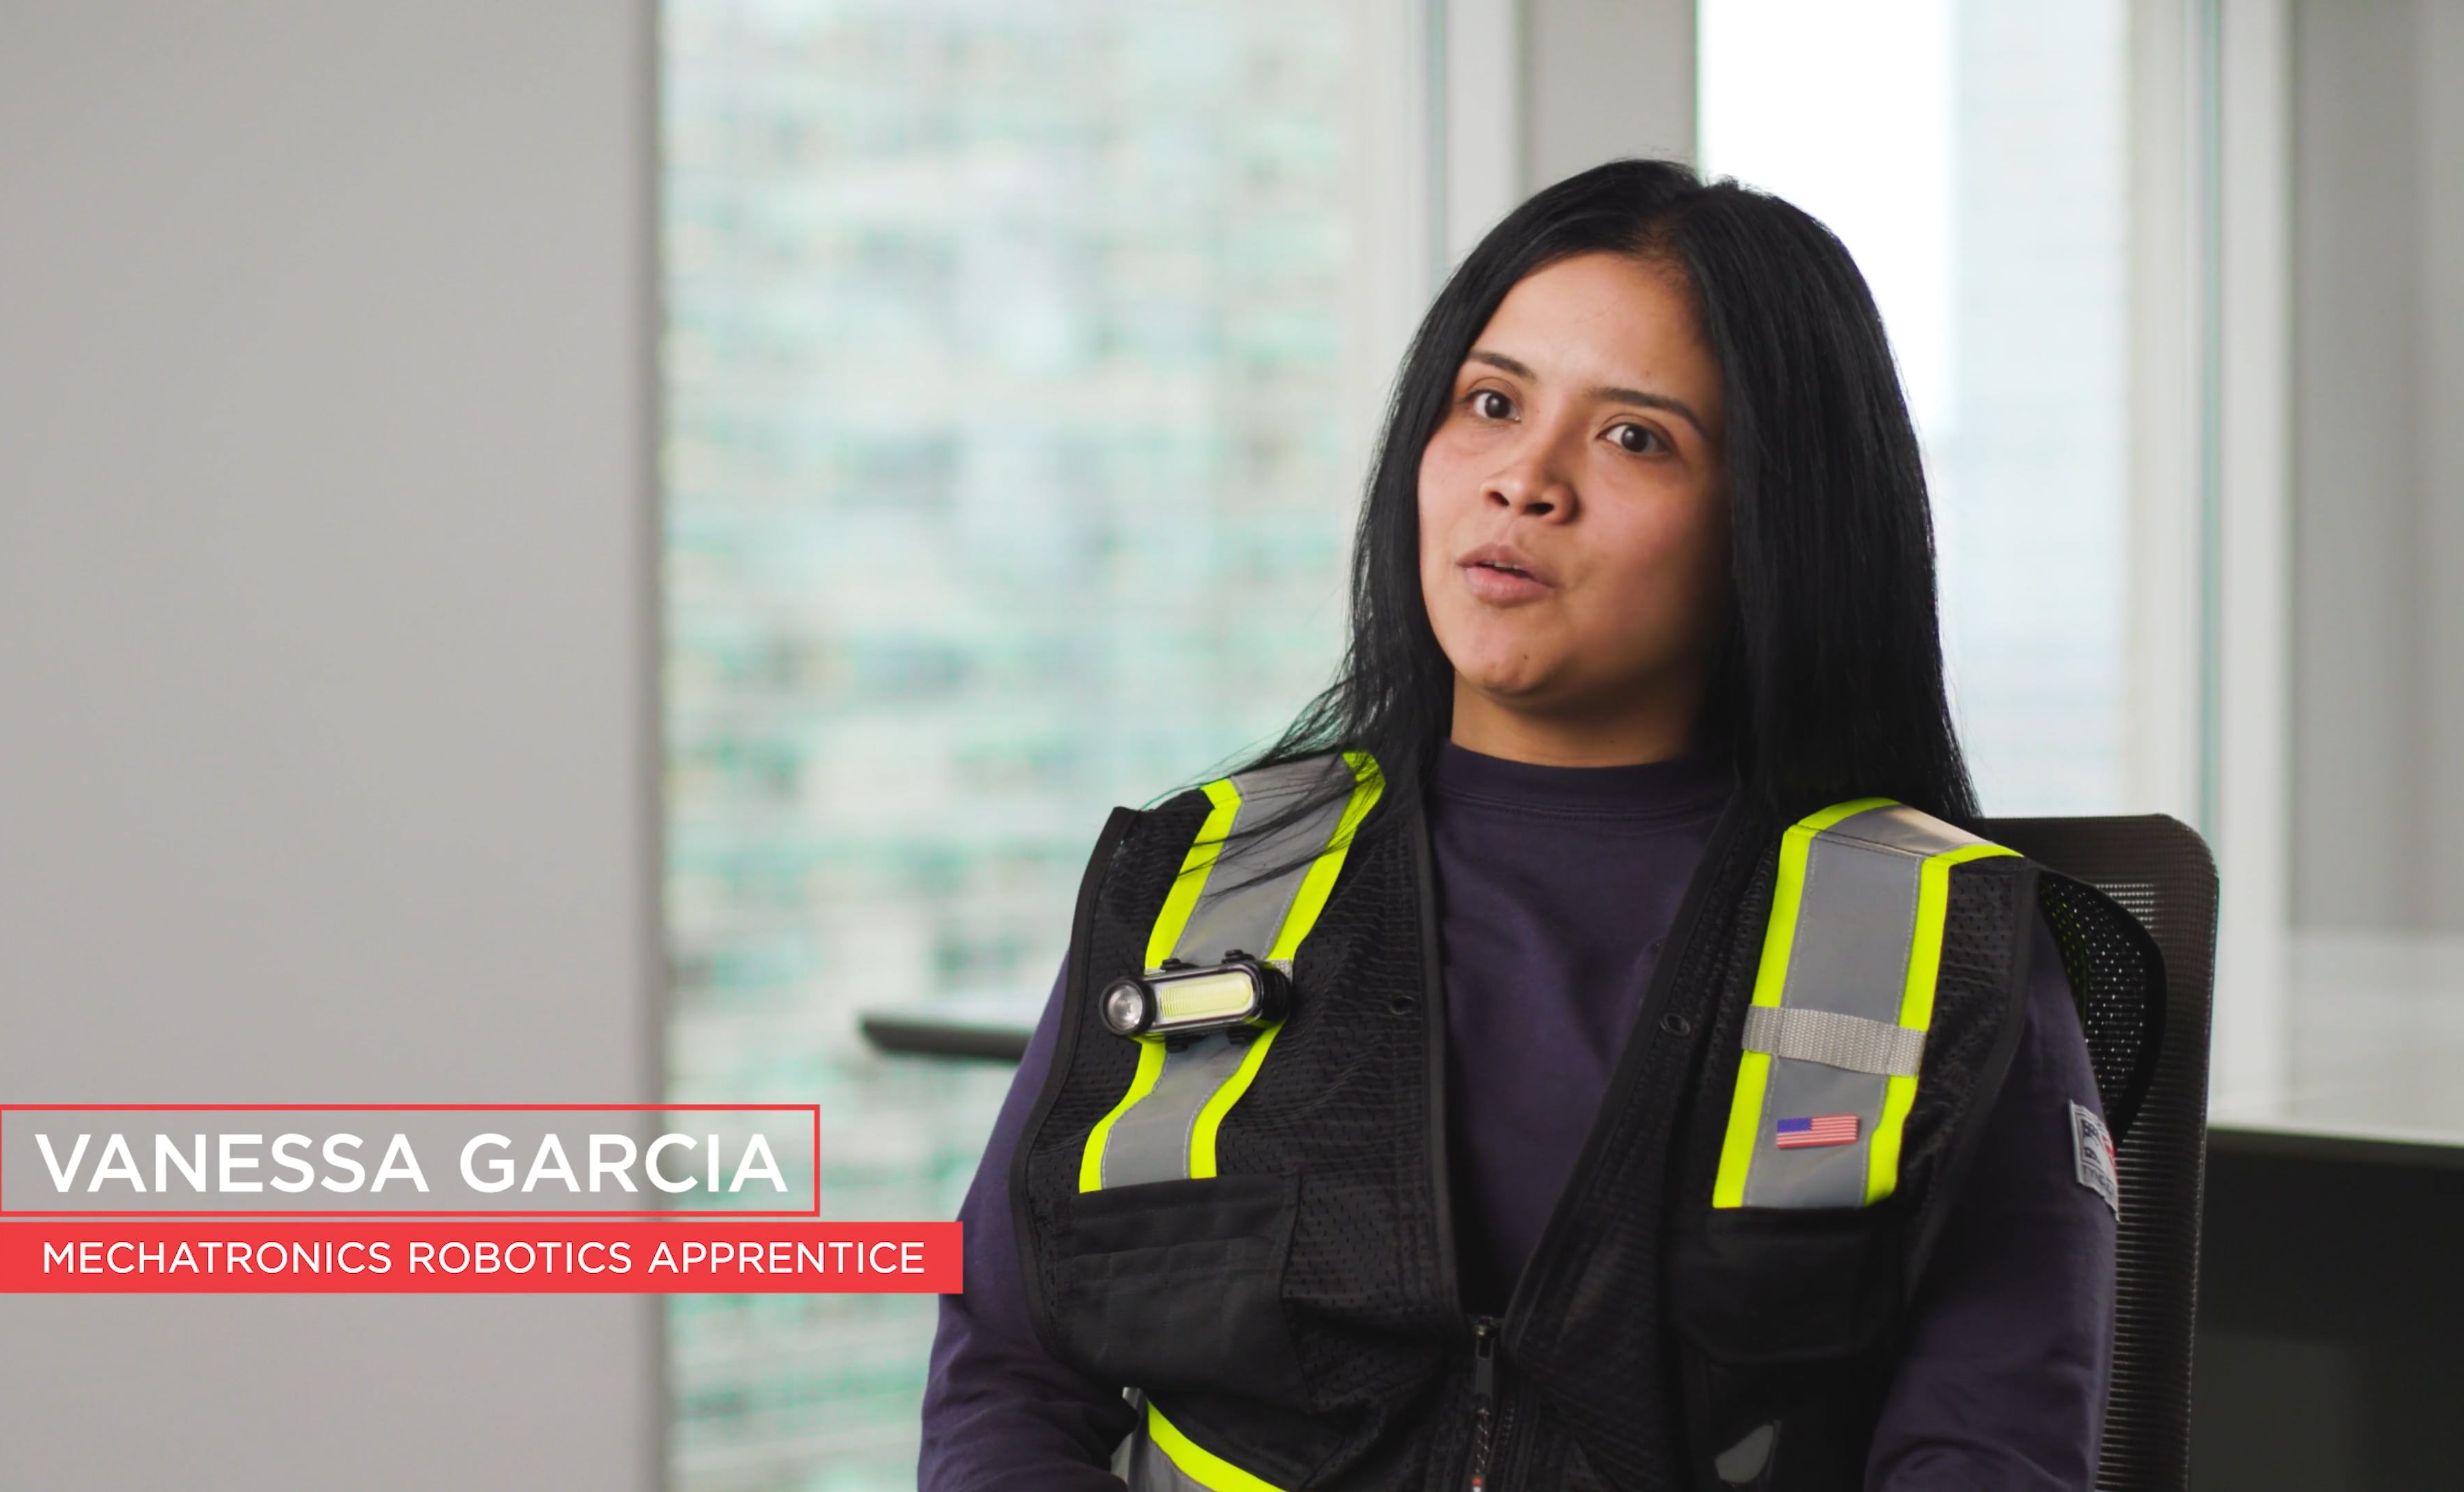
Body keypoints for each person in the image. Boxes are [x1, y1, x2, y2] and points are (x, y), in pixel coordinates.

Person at [919, 160, 2157, 1492]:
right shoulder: (1200, 886)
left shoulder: (1937, 942)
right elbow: (1009, 1371)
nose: (1526, 481)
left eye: (1636, 437)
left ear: (1772, 521)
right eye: (1492, 404)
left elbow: (1988, 1456)